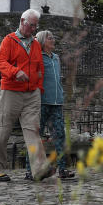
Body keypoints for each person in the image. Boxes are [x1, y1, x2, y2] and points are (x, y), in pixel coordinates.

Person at [0, 9, 54, 182]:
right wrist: (14, 72)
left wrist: (39, 88)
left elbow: (39, 69)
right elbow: (1, 63)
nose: (34, 29)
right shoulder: (9, 40)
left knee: (33, 131)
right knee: (3, 131)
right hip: (11, 91)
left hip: (32, 93)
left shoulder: (35, 44)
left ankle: (40, 170)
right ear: (22, 21)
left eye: (36, 26)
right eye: (31, 25)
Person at [26, 29, 74, 180]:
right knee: (35, 137)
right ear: (41, 41)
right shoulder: (37, 57)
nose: (53, 40)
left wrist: (61, 95)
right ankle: (30, 171)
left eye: (53, 37)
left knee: (60, 136)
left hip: (57, 103)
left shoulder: (56, 58)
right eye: (50, 38)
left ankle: (62, 170)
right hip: (41, 103)